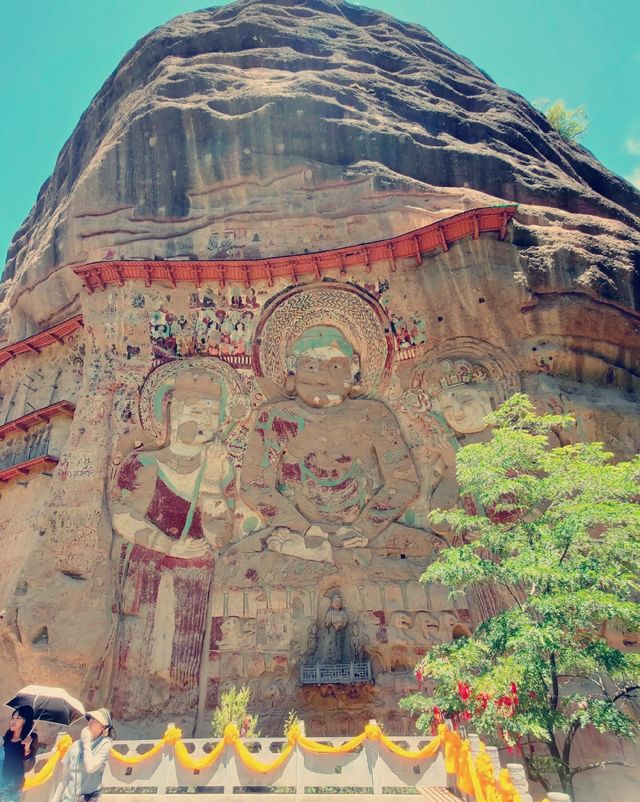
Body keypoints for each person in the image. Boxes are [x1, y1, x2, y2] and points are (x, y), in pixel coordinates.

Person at [49, 708, 114, 802]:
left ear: (103, 727)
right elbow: (64, 778)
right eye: (90, 718)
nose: (90, 721)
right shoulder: (75, 745)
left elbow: (90, 767)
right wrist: (54, 800)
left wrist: (86, 742)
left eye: (95, 720)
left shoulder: (105, 744)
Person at [0, 706, 37, 802]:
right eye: (13, 718)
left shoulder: (29, 740)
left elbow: (28, 767)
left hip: (12, 788)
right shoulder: (5, 739)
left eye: (18, 718)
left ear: (25, 721)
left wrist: (27, 749)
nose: (13, 721)